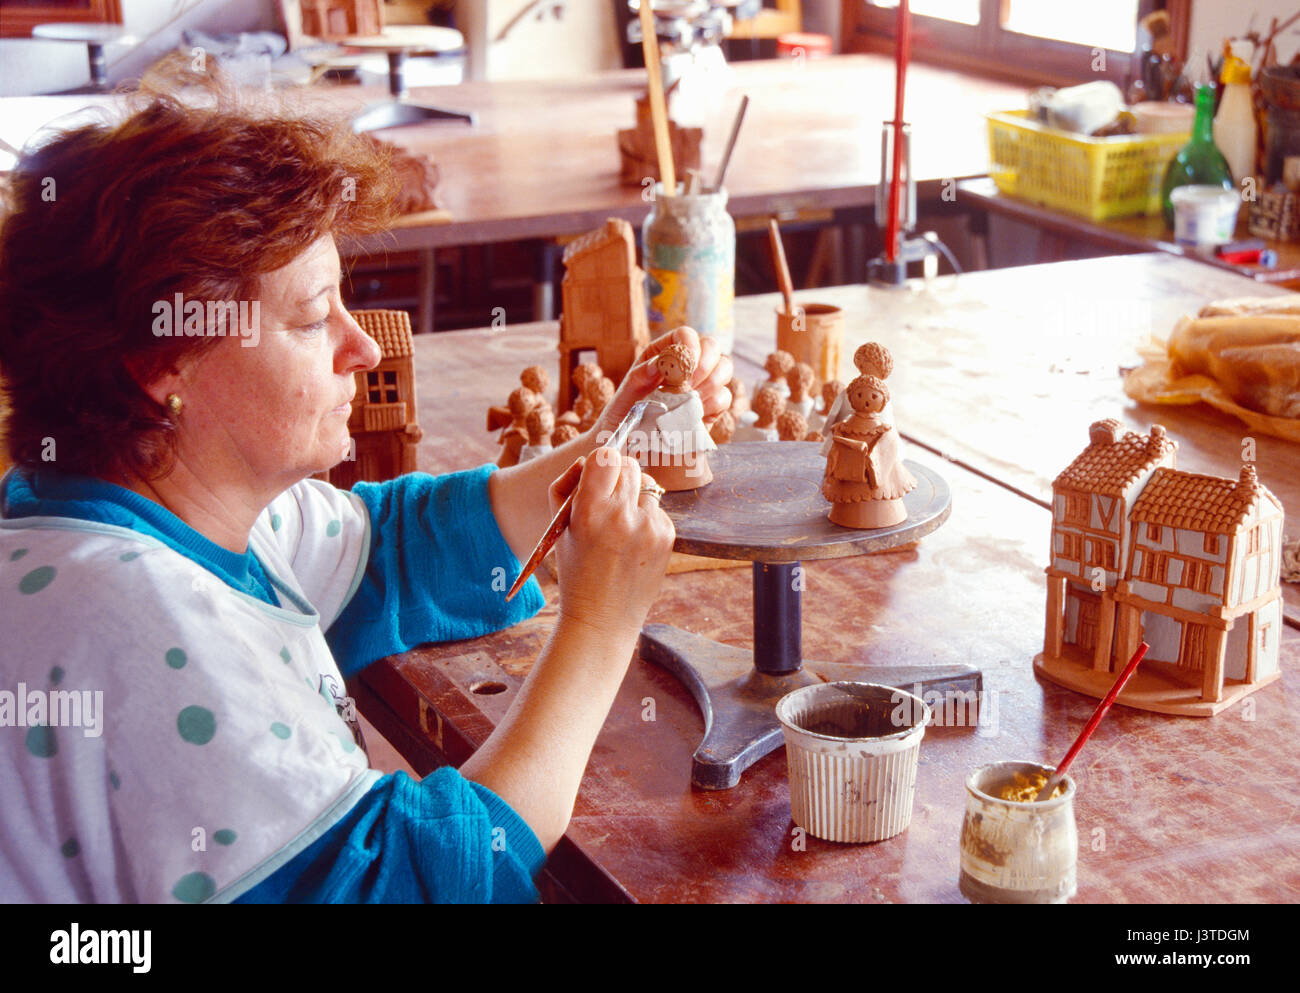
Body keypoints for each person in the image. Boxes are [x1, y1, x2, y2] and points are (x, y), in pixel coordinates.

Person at [0, 65, 732, 903]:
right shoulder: (138, 633)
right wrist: (602, 623)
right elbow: (422, 884)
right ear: (163, 360)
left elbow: (398, 548)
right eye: (313, 320)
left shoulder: (116, 504)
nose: (365, 349)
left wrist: (611, 442)